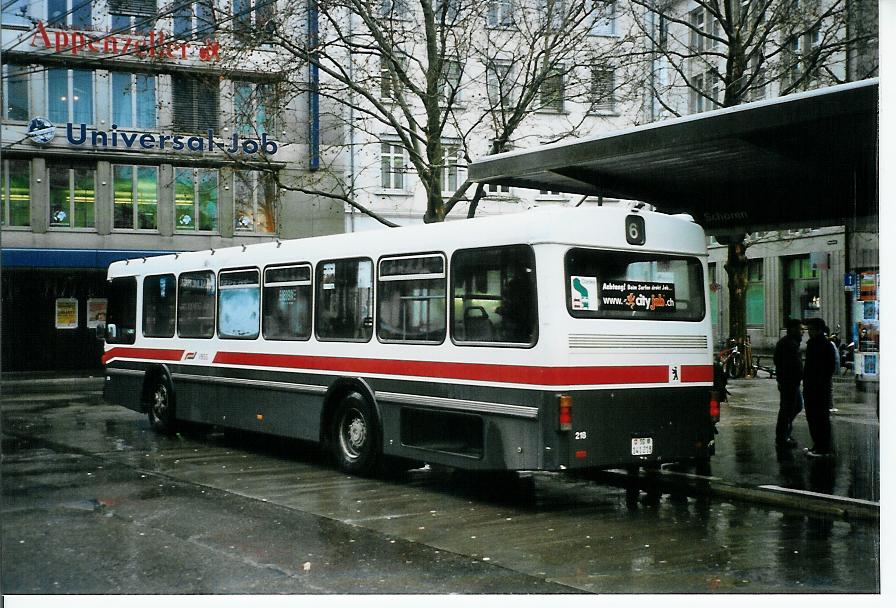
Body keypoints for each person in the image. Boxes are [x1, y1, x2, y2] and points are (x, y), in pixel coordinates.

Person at [802, 318, 838, 457]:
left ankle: (822, 448)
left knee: (819, 418)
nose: (809, 332)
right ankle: (817, 446)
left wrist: (818, 382)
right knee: (813, 418)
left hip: (818, 388)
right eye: (808, 329)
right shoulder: (814, 344)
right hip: (812, 387)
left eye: (811, 329)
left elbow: (829, 368)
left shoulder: (824, 345)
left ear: (819, 330)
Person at [773, 318, 804, 448]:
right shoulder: (788, 344)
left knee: (794, 406)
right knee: (789, 408)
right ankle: (782, 435)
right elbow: (787, 364)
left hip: (790, 381)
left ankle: (784, 433)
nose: (802, 332)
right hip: (789, 382)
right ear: (792, 330)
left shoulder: (790, 343)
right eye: (800, 329)